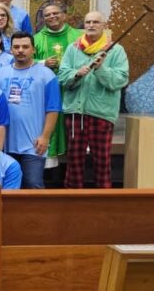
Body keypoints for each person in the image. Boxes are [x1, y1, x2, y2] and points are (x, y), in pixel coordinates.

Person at [58, 11, 129, 189]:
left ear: (103, 25)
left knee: (102, 159)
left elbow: (120, 79)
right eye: (88, 22)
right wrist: (76, 74)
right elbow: (62, 76)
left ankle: (103, 197)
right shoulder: (73, 49)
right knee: (74, 159)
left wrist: (101, 69)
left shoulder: (116, 50)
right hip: (76, 113)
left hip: (101, 113)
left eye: (95, 22)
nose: (91, 25)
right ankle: (73, 197)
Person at [0, 32, 62, 189]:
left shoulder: (47, 75)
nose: (20, 50)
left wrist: (45, 136)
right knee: (6, 186)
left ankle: (39, 215)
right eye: (16, 47)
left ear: (33, 50)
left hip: (33, 143)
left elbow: (53, 109)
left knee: (33, 184)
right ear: (10, 50)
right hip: (5, 143)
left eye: (25, 47)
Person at [33, 3, 83, 164]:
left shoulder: (78, 37)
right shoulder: (37, 39)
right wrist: (42, 62)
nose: (52, 17)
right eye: (47, 15)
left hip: (72, 91)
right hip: (46, 92)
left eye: (56, 13)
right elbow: (24, 60)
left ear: (64, 15)